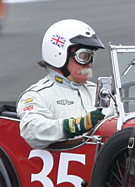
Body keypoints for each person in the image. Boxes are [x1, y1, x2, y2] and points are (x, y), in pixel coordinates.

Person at [18, 19, 115, 148]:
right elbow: (31, 131)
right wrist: (76, 126)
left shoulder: (100, 92)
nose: (89, 63)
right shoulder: (37, 95)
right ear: (58, 55)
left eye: (92, 56)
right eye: (84, 56)